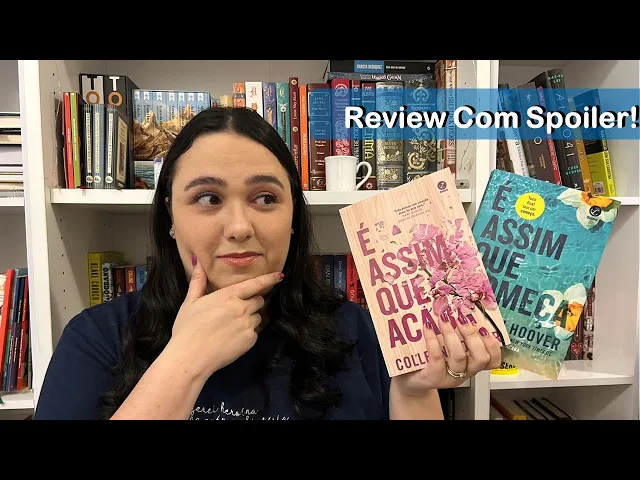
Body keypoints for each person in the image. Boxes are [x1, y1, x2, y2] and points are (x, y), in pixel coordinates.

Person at [34, 107, 502, 420]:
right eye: (207, 198)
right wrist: (184, 361)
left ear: (294, 217)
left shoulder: (359, 330)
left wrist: (415, 391)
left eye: (265, 198)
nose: (240, 227)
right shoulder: (97, 337)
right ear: (170, 217)